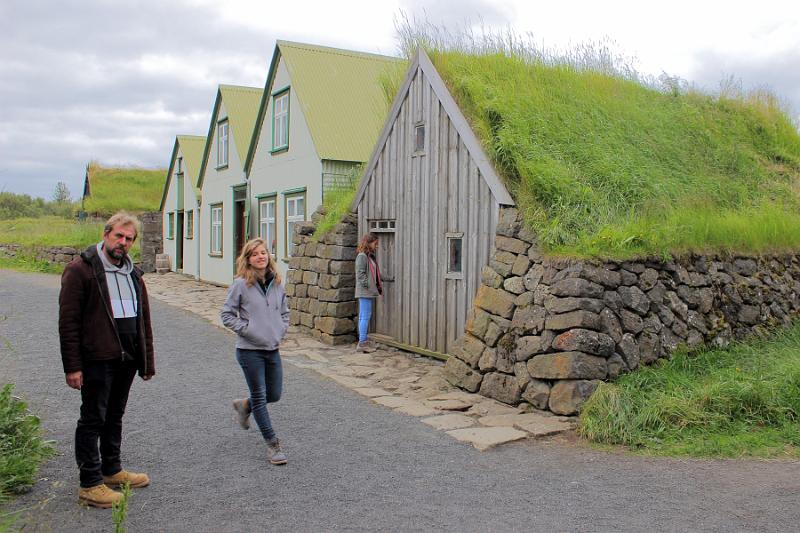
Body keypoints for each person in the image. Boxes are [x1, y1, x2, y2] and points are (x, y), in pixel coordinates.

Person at [58, 211, 155, 509]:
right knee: (93, 418)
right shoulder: (81, 271)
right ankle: (89, 483)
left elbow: (143, 321)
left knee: (115, 415)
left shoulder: (133, 274)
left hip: (126, 358)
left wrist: (146, 361)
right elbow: (68, 322)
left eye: (129, 239)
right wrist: (73, 366)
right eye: (118, 236)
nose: (123, 243)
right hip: (97, 358)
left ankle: (111, 469)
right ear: (106, 234)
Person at [221, 238, 290, 465]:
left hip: (272, 348)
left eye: (264, 252)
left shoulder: (277, 283)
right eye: (255, 254)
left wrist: (280, 330)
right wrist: (248, 330)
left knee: (275, 394)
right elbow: (227, 315)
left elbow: (284, 312)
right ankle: (273, 444)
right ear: (248, 259)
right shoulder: (241, 284)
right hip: (249, 350)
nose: (261, 256)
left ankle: (244, 406)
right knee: (261, 397)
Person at [354, 233, 382, 353]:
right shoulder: (362, 257)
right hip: (365, 292)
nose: (377, 246)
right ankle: (362, 343)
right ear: (369, 243)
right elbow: (360, 275)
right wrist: (369, 286)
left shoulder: (369, 256)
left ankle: (363, 341)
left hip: (367, 291)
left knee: (363, 316)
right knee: (365, 316)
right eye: (375, 243)